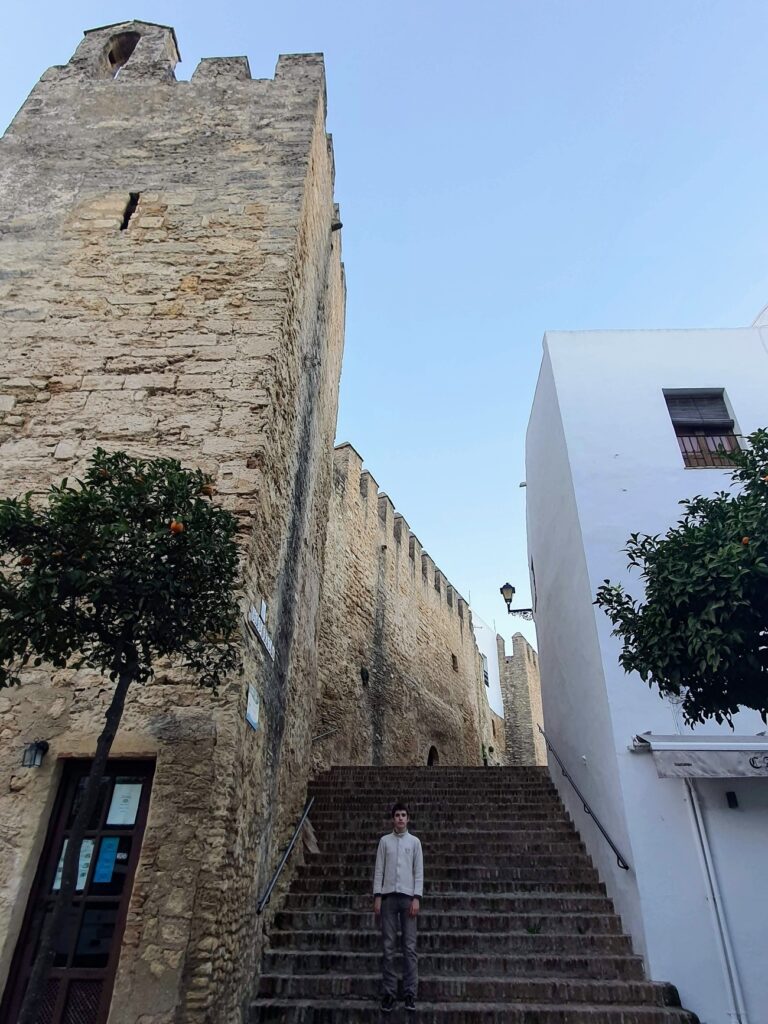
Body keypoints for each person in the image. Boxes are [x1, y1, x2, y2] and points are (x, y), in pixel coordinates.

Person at [373, 802, 423, 1013]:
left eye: (403, 815)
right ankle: (389, 993)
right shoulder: (384, 841)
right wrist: (377, 895)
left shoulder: (415, 842)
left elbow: (418, 871)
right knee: (388, 948)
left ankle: (410, 992)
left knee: (409, 948)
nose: (400, 818)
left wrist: (417, 897)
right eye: (397, 815)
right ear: (392, 819)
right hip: (388, 899)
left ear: (408, 818)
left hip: (408, 898)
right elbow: (379, 870)